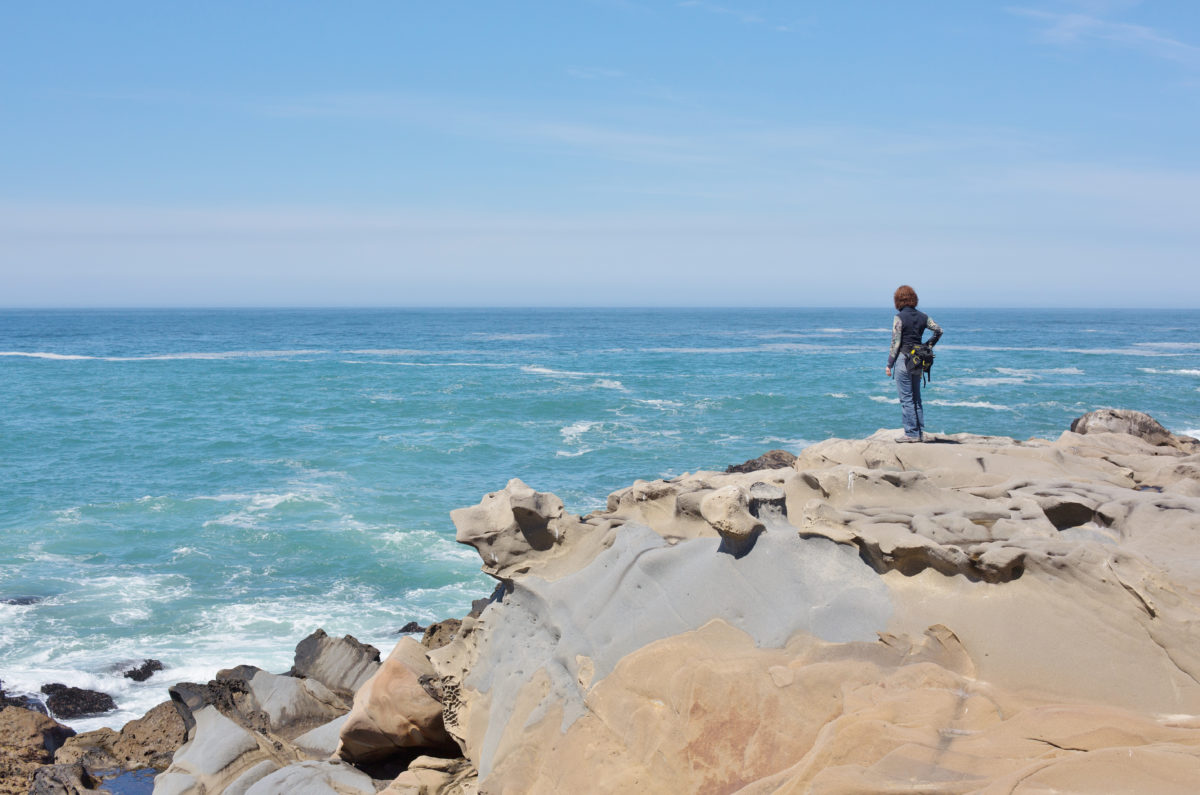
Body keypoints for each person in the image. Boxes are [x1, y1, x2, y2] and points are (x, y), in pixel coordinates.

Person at [885, 285, 942, 442]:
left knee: (906, 398)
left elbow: (895, 342)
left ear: (898, 300)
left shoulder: (899, 317)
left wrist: (889, 363)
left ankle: (911, 434)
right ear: (913, 299)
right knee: (916, 397)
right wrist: (927, 346)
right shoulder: (923, 316)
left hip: (904, 359)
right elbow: (938, 330)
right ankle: (919, 433)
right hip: (918, 360)